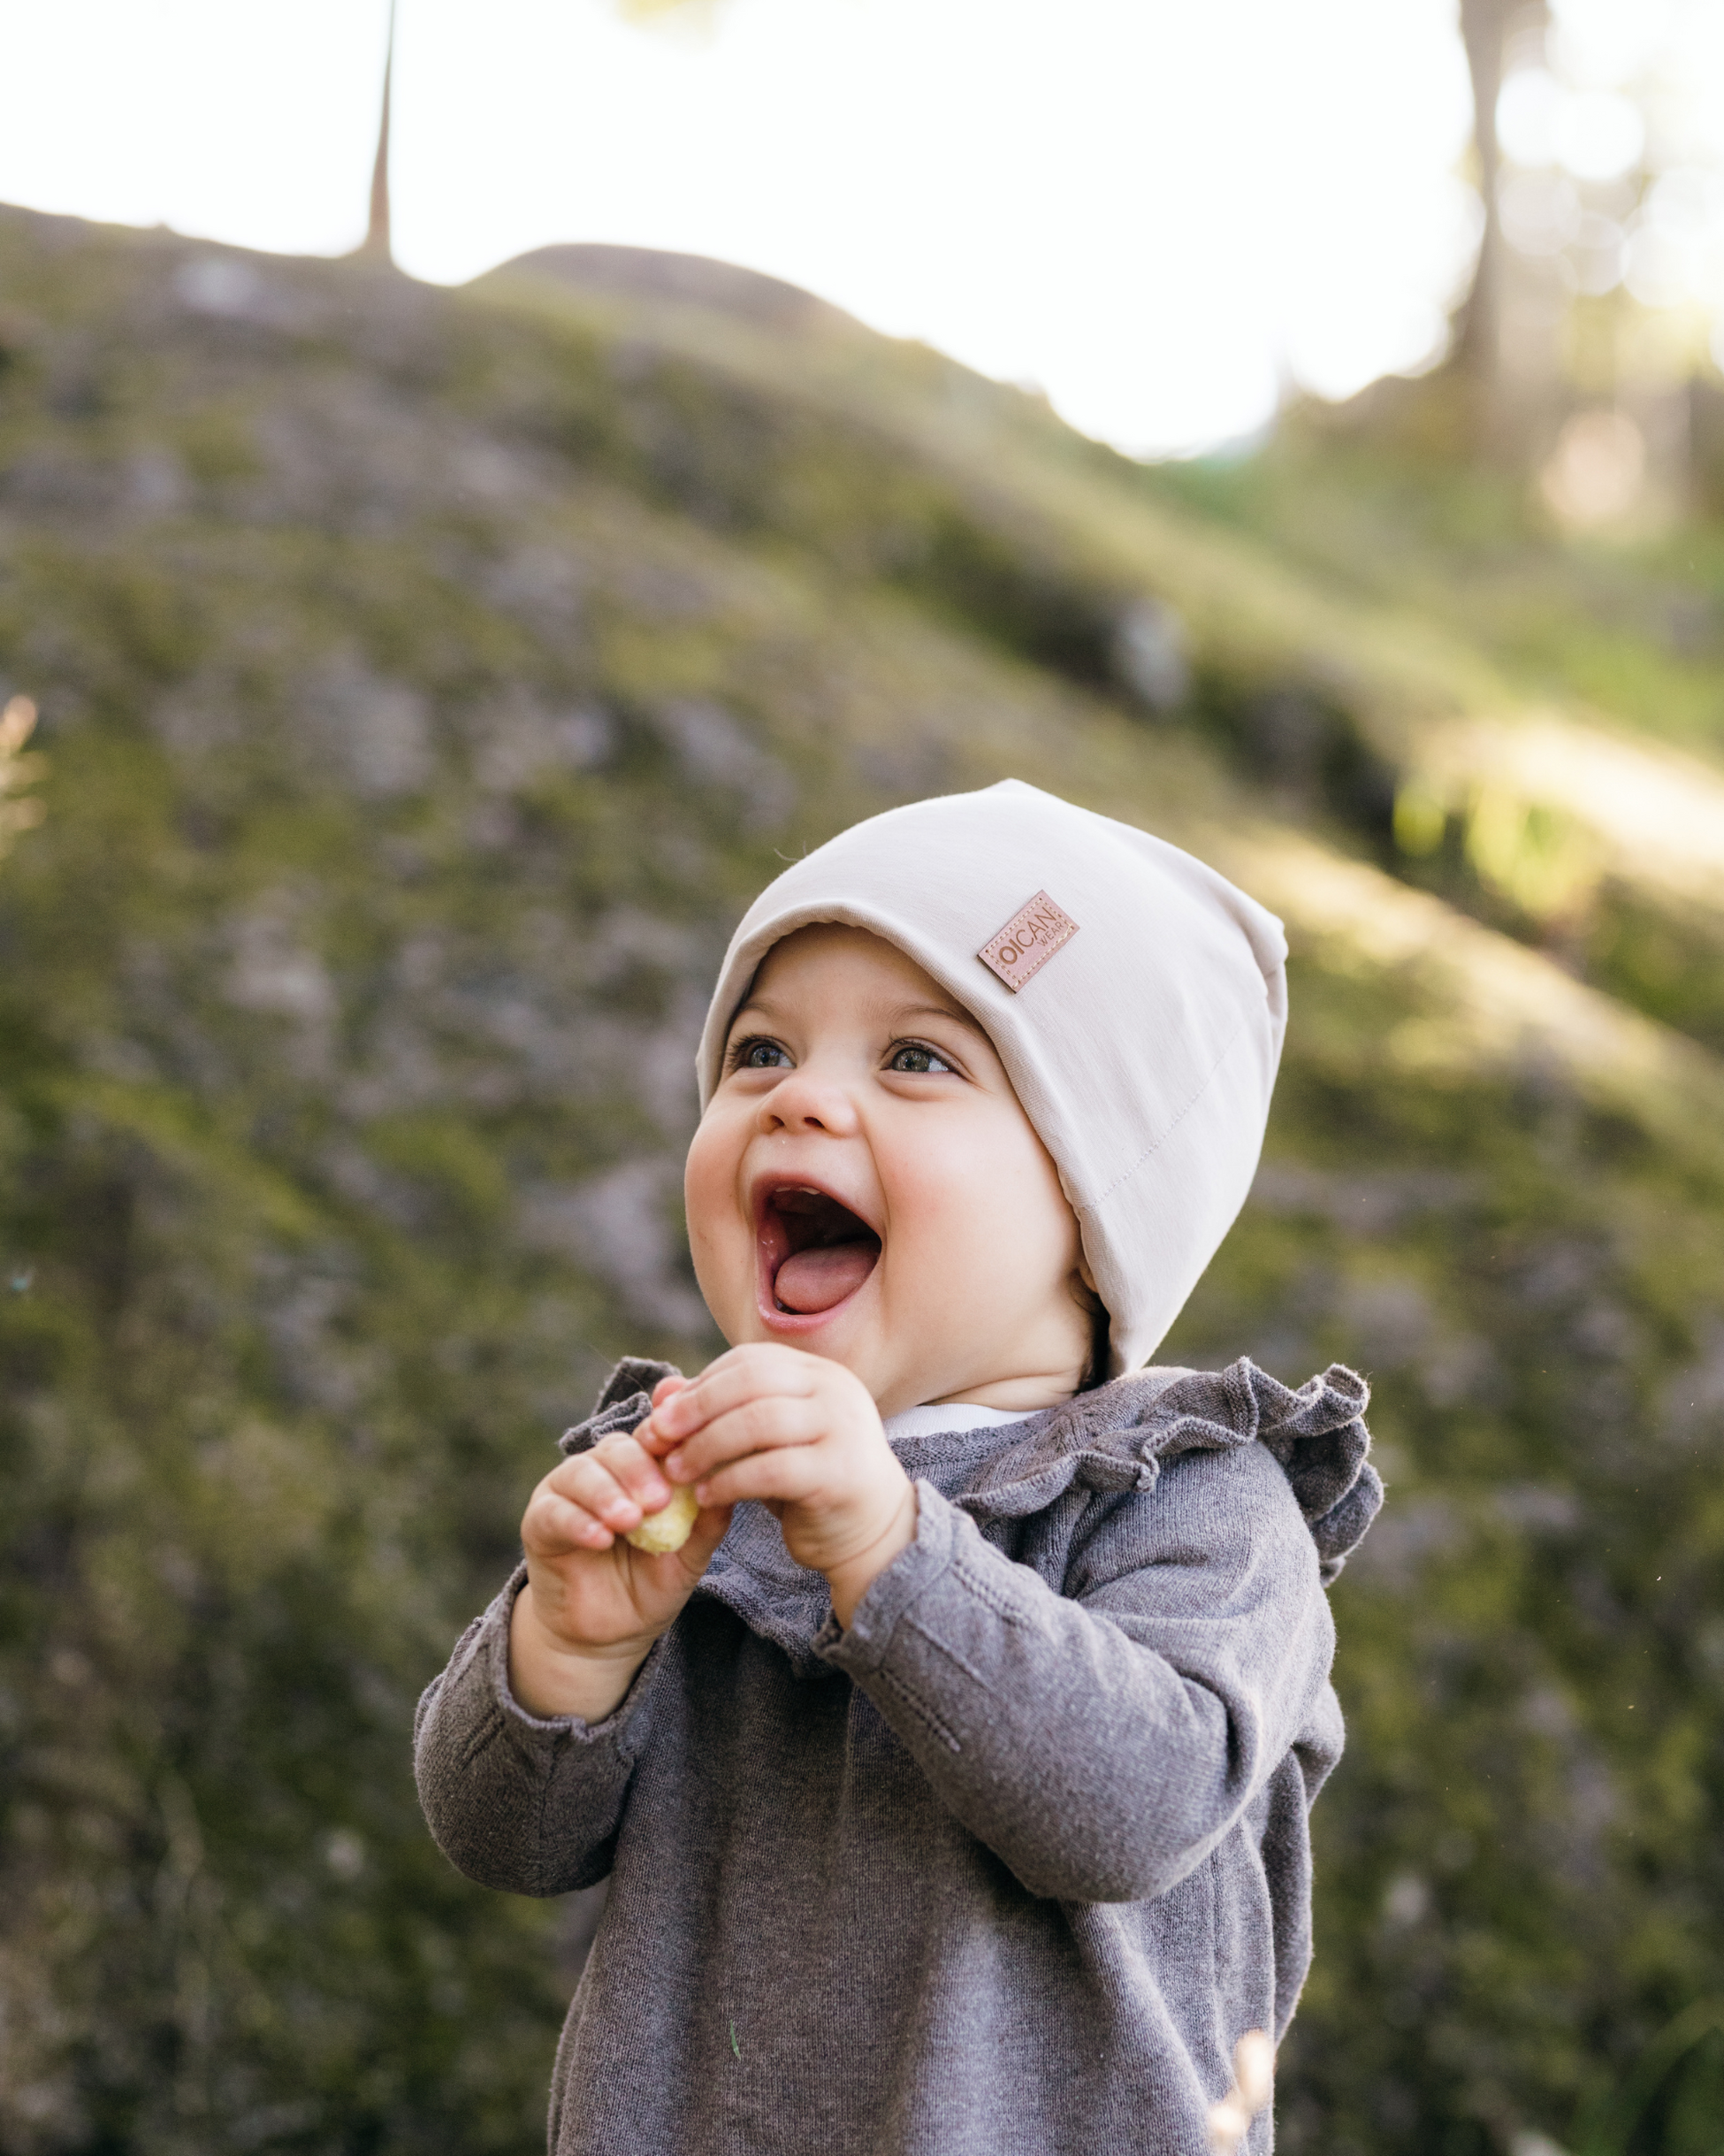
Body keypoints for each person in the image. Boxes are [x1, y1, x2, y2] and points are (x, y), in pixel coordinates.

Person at [414, 778, 1382, 2155]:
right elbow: (501, 1838)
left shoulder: (1195, 1495)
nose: (799, 1097)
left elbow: (1130, 1811)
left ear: (1087, 1200)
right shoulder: (692, 1479)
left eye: (917, 1060)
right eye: (756, 1051)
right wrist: (565, 1649)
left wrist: (887, 1548)